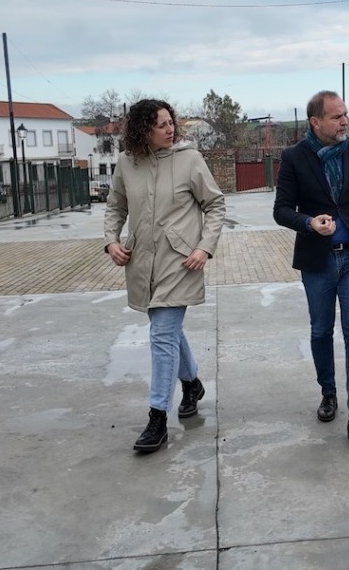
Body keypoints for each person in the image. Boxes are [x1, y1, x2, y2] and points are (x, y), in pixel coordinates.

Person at [104, 99, 226, 454]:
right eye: (160, 124)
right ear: (143, 129)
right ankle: (192, 384)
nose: (170, 128)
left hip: (182, 261)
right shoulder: (128, 162)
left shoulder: (190, 159)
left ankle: (157, 416)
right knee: (168, 331)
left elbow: (215, 204)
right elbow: (116, 205)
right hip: (142, 262)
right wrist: (110, 242)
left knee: (161, 334)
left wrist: (204, 247)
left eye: (171, 122)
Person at [273, 90, 349, 440]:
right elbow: (281, 210)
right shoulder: (294, 157)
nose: (344, 122)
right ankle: (328, 392)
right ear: (316, 121)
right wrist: (309, 223)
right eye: (337, 116)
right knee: (321, 330)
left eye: (345, 114)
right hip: (317, 261)